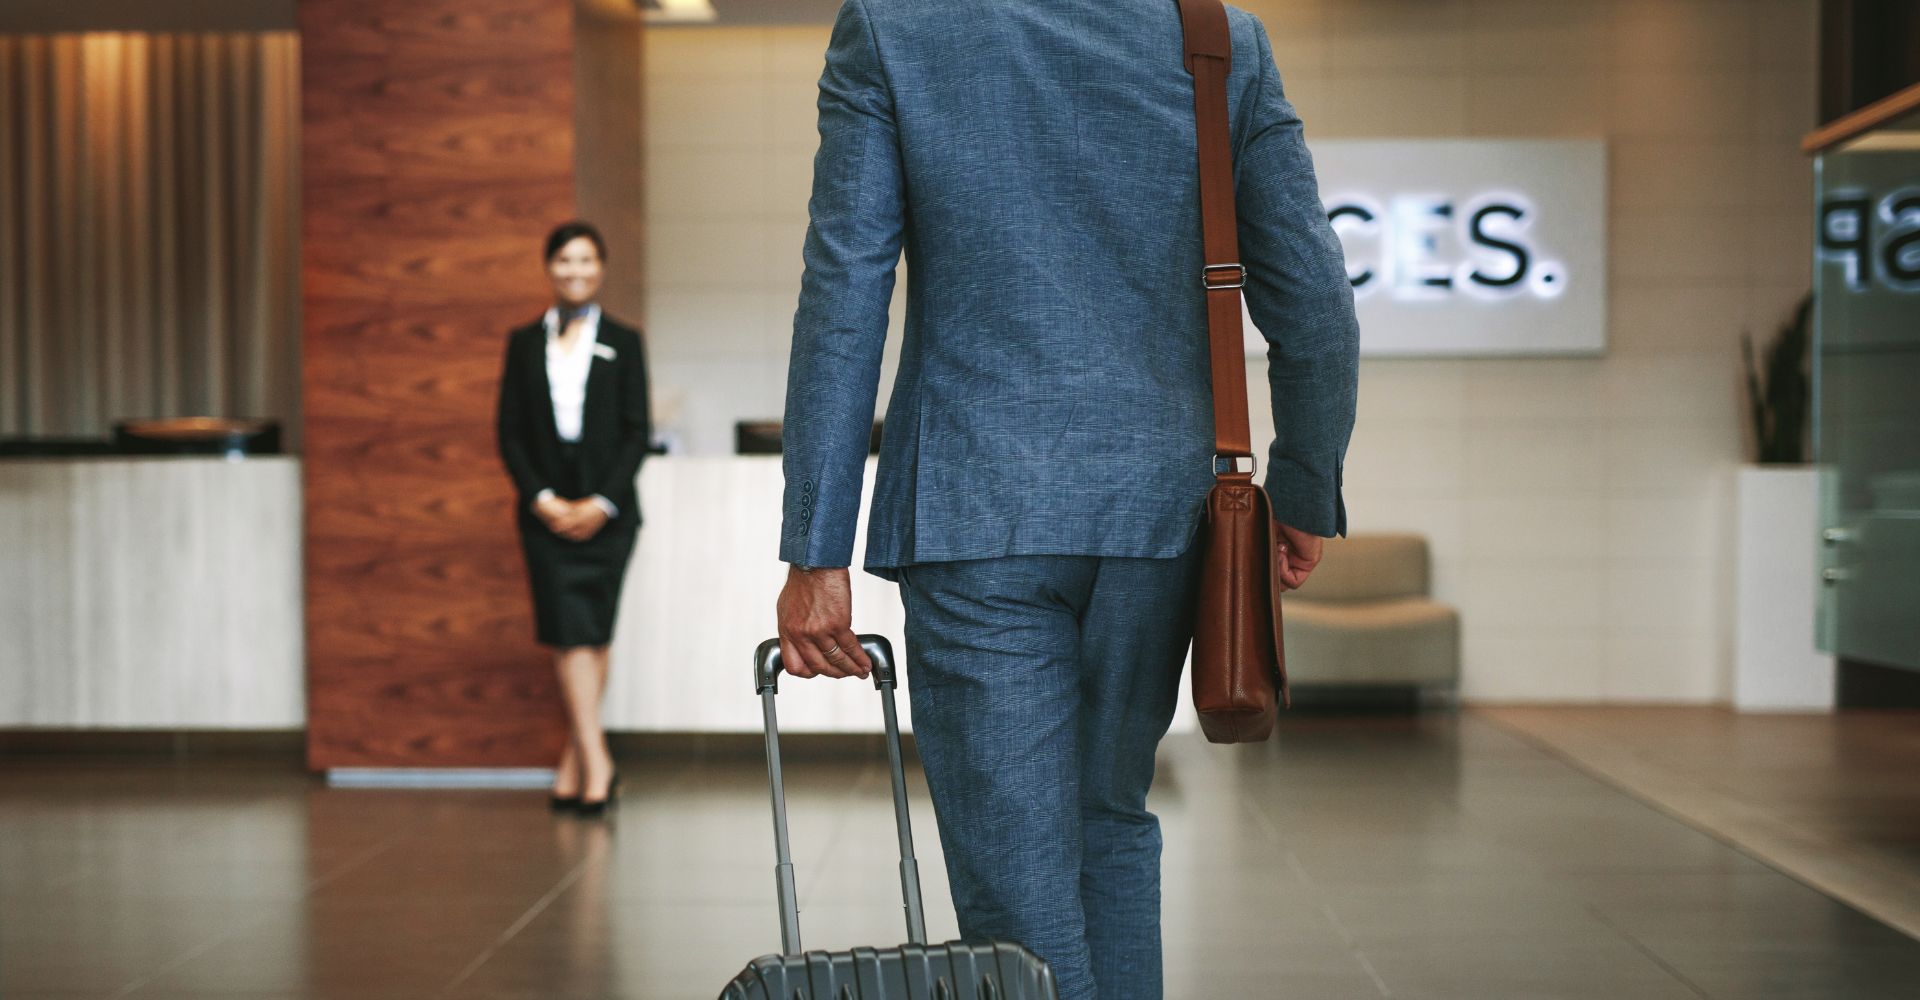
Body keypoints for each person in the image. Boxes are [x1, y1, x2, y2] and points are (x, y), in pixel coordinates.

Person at [773, 1, 1358, 997]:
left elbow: (846, 292)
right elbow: (1311, 292)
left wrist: (815, 549)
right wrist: (1304, 485)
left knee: (1015, 876)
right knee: (1109, 822)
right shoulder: (1216, 37)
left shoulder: (895, 29)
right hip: (1160, 507)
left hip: (972, 505)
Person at [496, 221, 651, 818]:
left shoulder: (624, 340)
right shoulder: (521, 342)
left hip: (609, 514)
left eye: (587, 260)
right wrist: (543, 499)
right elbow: (509, 432)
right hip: (545, 516)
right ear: (549, 267)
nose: (575, 271)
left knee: (595, 632)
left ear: (602, 267)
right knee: (568, 634)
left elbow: (637, 432)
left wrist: (600, 503)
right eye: (564, 260)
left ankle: (574, 765)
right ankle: (598, 762)